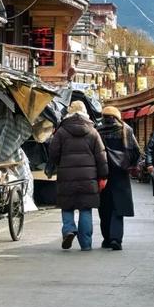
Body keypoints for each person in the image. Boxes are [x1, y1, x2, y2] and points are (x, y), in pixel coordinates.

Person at [46, 100, 108, 251]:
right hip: (88, 178)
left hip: (66, 175)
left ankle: (68, 230)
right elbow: (101, 156)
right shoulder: (93, 131)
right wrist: (104, 175)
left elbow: (53, 153)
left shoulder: (61, 131)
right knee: (85, 209)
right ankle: (86, 244)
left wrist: (52, 166)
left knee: (67, 206)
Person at [98, 106, 141, 250]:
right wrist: (131, 165)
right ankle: (116, 238)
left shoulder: (97, 130)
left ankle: (106, 239)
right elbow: (136, 151)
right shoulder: (126, 130)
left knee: (104, 208)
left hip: (103, 174)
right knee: (118, 208)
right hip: (121, 174)